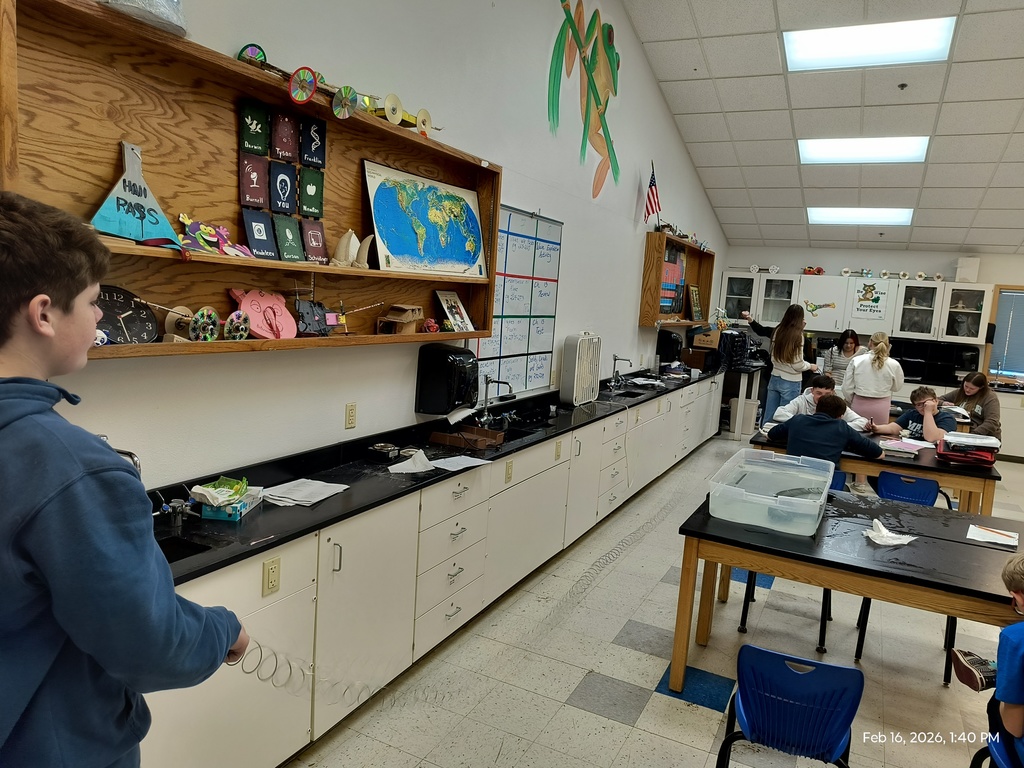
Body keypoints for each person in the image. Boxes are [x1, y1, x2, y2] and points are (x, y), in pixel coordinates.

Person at [0, 192, 248, 767]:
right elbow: (149, 642)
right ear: (42, 314)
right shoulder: (71, 470)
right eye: (91, 303)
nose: (98, 319)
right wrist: (223, 630)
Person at [950, 554, 1024, 768]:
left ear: (1017, 596)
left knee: (995, 704)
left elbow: (1015, 727)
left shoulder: (1016, 638)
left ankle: (1001, 677)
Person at [740, 304, 818, 426]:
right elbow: (797, 364)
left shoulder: (778, 330)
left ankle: (764, 439)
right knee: (785, 418)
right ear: (800, 318)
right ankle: (777, 444)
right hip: (791, 381)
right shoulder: (798, 335)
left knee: (769, 415)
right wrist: (810, 366)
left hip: (774, 377)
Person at [767, 394, 882, 467]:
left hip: (794, 475)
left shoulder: (798, 419)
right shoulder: (842, 427)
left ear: (816, 409)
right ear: (840, 416)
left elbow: (771, 435)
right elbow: (879, 454)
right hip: (824, 481)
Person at [771, 373, 869, 431]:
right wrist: (806, 422)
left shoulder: (837, 405)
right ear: (812, 391)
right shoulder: (801, 400)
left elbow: (862, 422)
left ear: (833, 392)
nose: (822, 398)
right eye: (819, 393)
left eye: (827, 394)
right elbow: (779, 414)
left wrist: (833, 426)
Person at [869, 385, 957, 442]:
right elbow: (893, 428)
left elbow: (932, 438)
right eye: (919, 405)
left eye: (926, 403)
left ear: (936, 401)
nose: (923, 407)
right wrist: (876, 428)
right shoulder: (912, 414)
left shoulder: (947, 419)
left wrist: (928, 412)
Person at [939, 371, 1002, 440]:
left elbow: (992, 422)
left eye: (972, 388)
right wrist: (943, 403)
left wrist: (972, 435)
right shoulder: (960, 392)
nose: (967, 390)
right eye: (966, 386)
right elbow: (937, 400)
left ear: (981, 387)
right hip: (960, 430)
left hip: (982, 435)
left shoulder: (990, 398)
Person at [822, 328, 867, 395]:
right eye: (846, 343)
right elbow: (827, 372)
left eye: (851, 343)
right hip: (835, 387)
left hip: (854, 388)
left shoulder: (863, 352)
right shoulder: (832, 351)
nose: (848, 346)